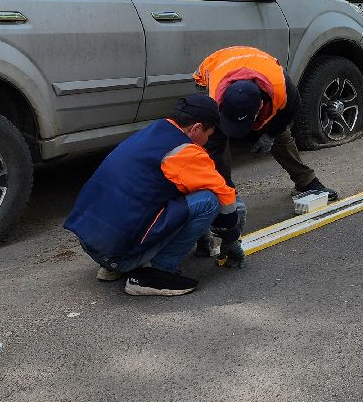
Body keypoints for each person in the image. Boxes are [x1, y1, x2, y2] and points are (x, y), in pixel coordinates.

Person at [63, 93, 242, 297]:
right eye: (208, 134)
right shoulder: (185, 152)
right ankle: (156, 272)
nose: (207, 141)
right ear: (196, 128)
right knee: (209, 201)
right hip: (117, 252)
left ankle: (114, 266)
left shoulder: (153, 131)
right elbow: (225, 199)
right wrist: (231, 240)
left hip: (90, 242)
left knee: (161, 193)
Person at [194, 46, 338, 202]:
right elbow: (215, 147)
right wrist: (228, 199)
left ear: (260, 106)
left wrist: (270, 135)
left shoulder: (283, 90)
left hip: (260, 68)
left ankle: (306, 182)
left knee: (281, 136)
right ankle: (224, 192)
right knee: (215, 142)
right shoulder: (213, 100)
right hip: (212, 69)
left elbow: (288, 114)